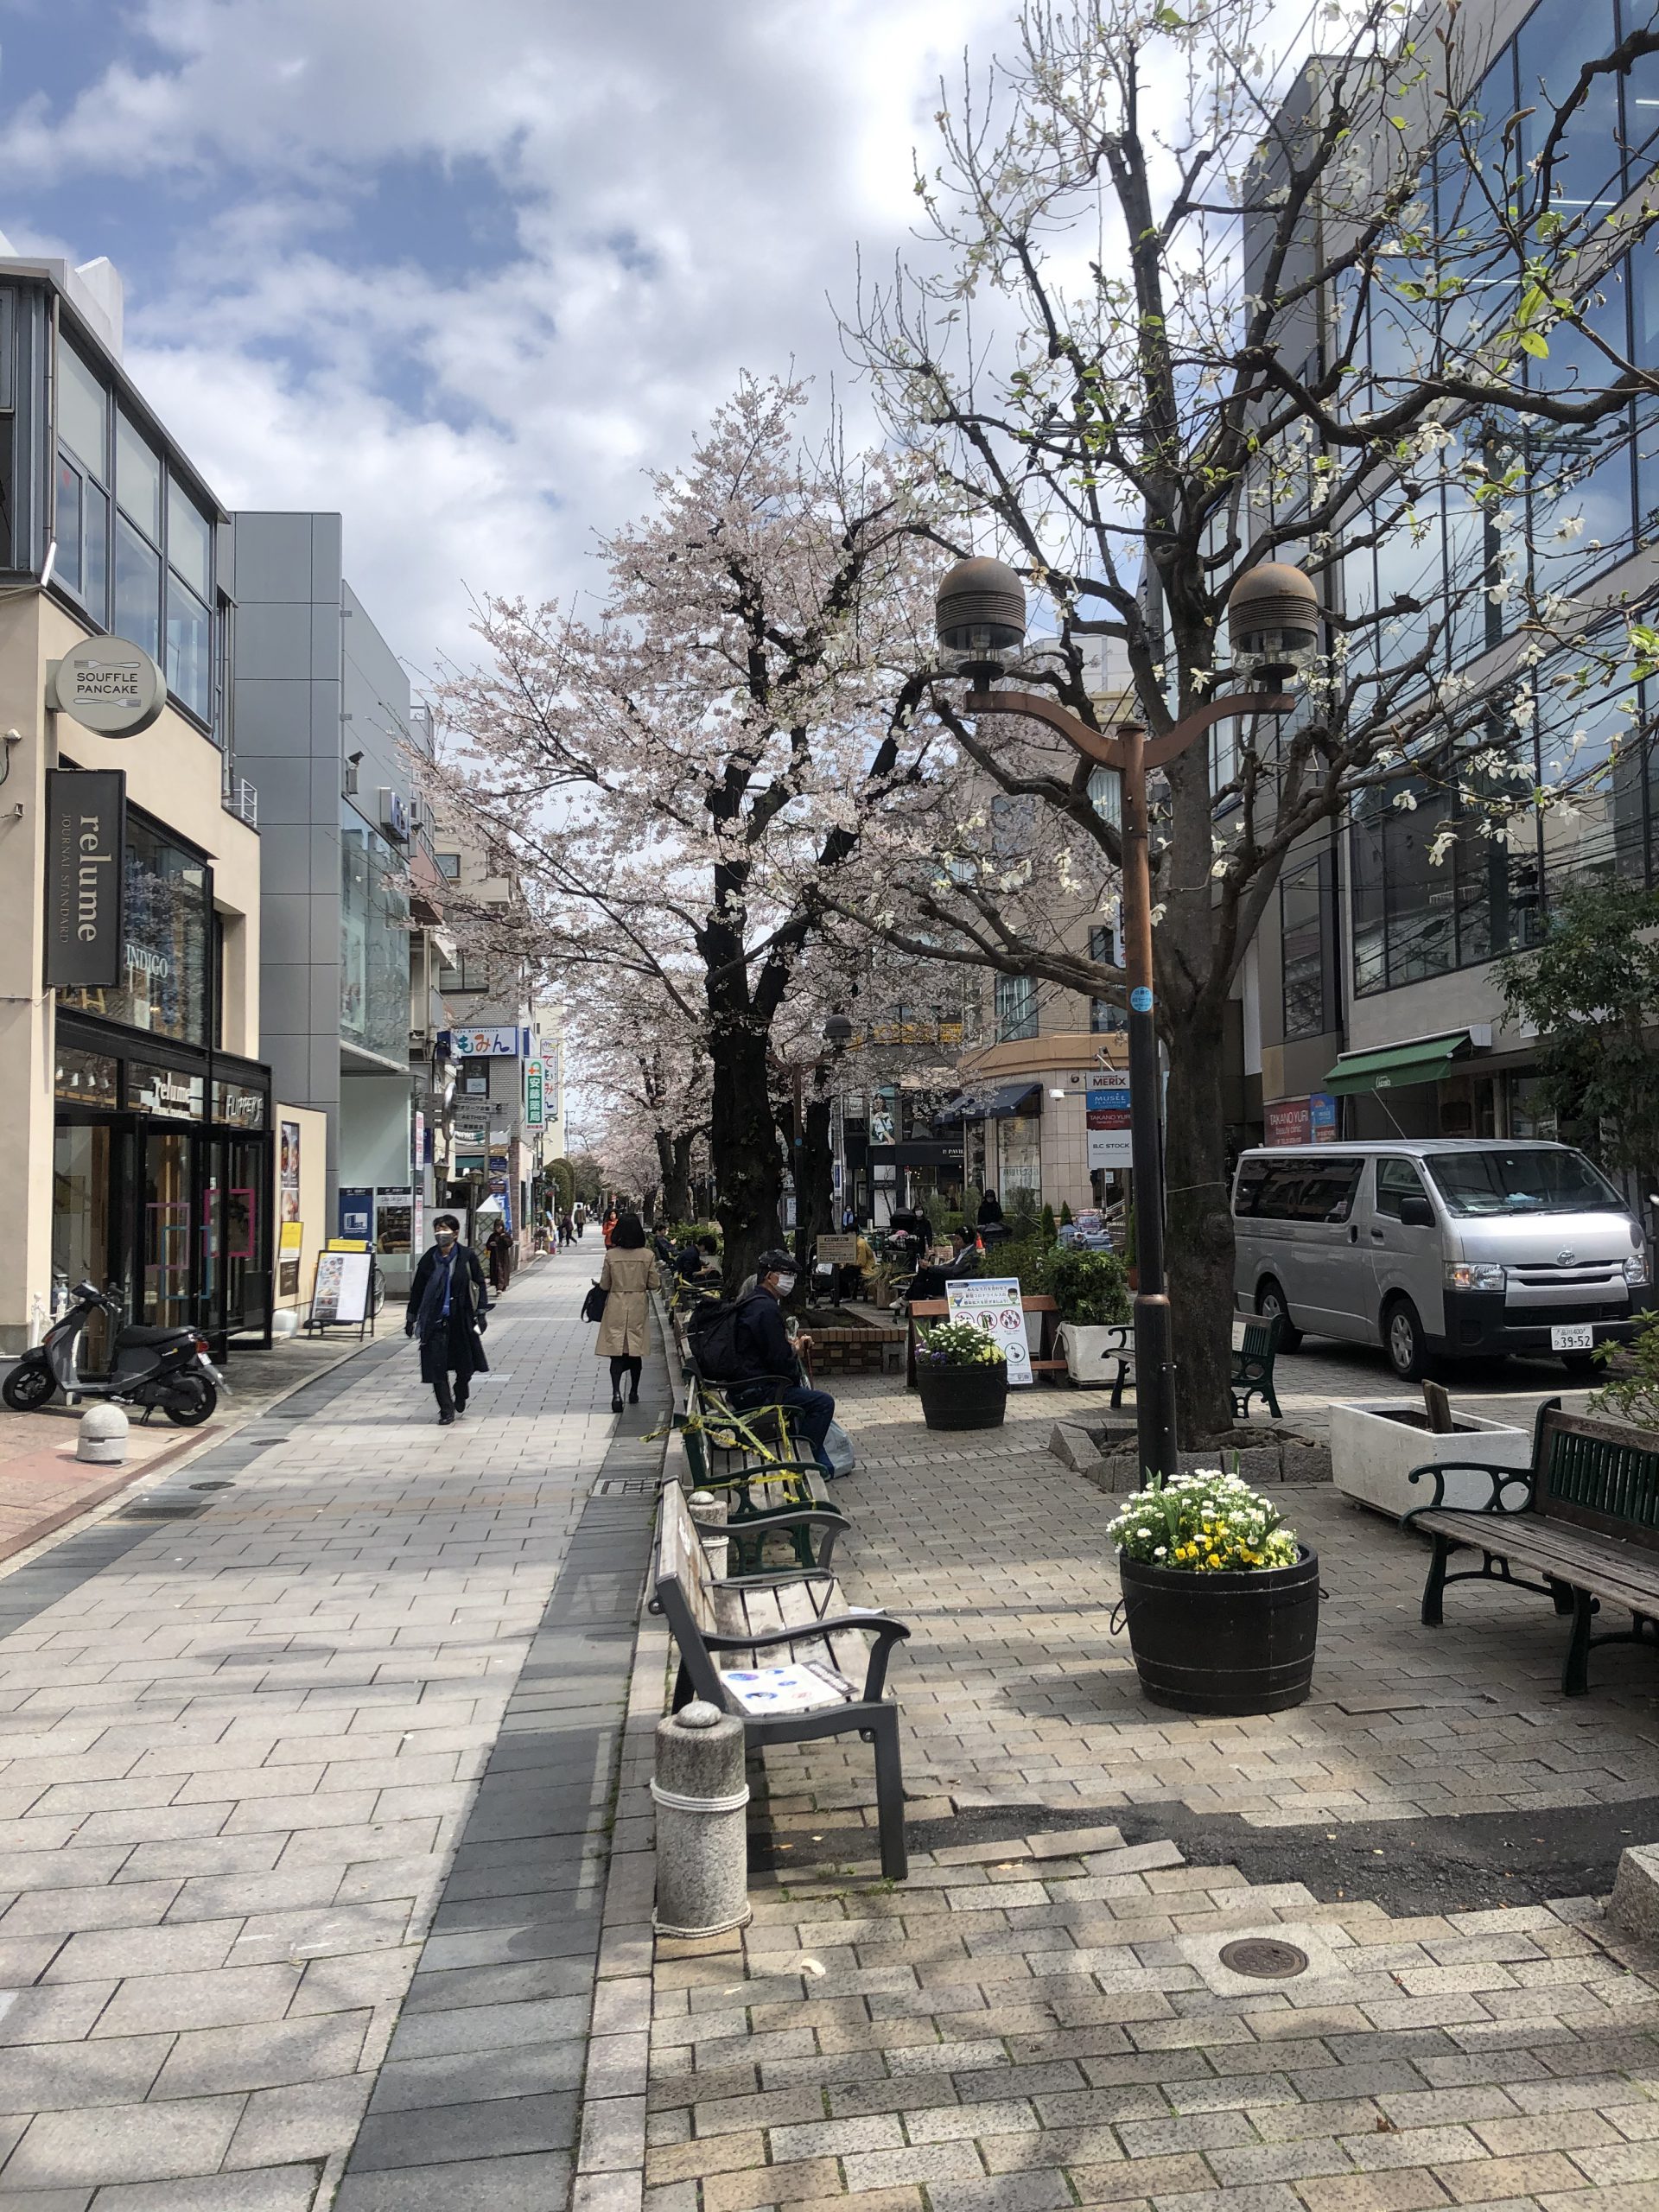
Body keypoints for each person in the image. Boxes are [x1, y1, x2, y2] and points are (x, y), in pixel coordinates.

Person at [728, 1248, 837, 1478]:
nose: (790, 1280)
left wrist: (788, 1348)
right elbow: (780, 1362)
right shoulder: (765, 1309)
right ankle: (803, 1459)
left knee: (807, 1399)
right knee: (822, 1403)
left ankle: (815, 1461)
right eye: (785, 1274)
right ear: (769, 1276)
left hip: (746, 1384)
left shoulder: (754, 1302)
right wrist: (795, 1350)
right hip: (758, 1390)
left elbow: (767, 1349)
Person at [405, 1214, 489, 1425]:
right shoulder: (429, 1258)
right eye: (437, 1229)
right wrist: (411, 1317)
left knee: (465, 1365)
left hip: (462, 1318)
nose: (440, 1234)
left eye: (444, 1229)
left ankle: (461, 1389)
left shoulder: (466, 1256)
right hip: (434, 1320)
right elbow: (418, 1289)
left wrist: (481, 1313)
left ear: (455, 1233)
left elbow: (479, 1283)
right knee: (437, 1367)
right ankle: (446, 1410)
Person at [595, 1212, 659, 1410]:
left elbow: (605, 1284)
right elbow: (654, 1283)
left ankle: (616, 1393)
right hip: (638, 1303)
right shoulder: (647, 1255)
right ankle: (633, 1391)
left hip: (616, 1302)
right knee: (635, 1350)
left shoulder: (611, 1256)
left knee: (617, 1350)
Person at [485, 1219, 514, 1294]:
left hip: (503, 1256)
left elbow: (509, 1243)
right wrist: (491, 1245)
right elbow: (488, 1245)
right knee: (496, 1270)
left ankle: (501, 1286)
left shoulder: (506, 1235)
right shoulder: (493, 1236)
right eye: (497, 1227)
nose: (498, 1228)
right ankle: (498, 1286)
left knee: (502, 1270)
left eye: (500, 1226)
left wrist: (502, 1238)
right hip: (494, 1256)